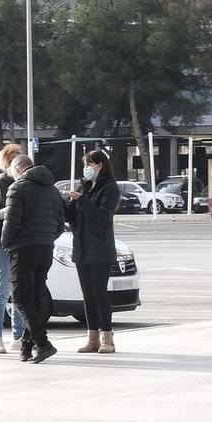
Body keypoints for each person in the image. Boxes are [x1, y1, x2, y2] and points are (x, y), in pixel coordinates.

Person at [2, 151, 62, 364]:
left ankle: (42, 343)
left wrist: (6, 242)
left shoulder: (17, 188)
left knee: (20, 298)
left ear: (18, 169)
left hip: (22, 248)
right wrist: (47, 237)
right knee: (36, 298)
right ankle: (27, 347)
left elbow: (11, 221)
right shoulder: (52, 189)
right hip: (45, 248)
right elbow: (60, 223)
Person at [65, 148, 121, 352]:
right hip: (82, 249)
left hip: (100, 249)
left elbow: (101, 218)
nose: (86, 168)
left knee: (99, 293)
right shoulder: (85, 186)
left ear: (100, 165)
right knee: (87, 295)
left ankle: (107, 338)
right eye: (85, 164)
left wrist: (82, 200)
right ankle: (92, 337)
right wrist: (69, 205)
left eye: (90, 164)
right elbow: (76, 218)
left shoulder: (110, 189)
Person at [0, 141, 24, 352]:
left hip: (21, 241)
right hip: (3, 242)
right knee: (3, 287)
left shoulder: (25, 183)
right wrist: (11, 210)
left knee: (18, 289)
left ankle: (18, 335)